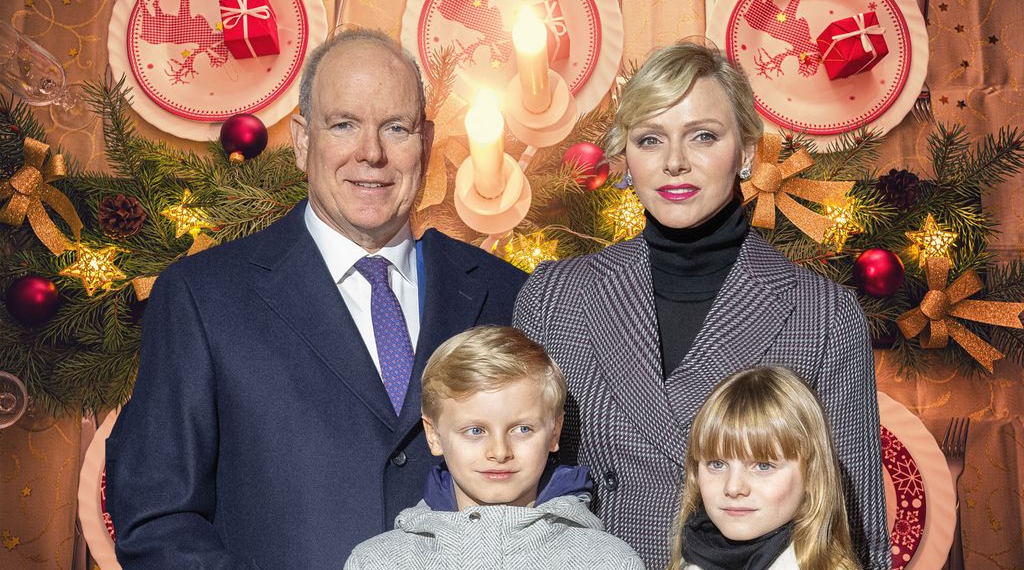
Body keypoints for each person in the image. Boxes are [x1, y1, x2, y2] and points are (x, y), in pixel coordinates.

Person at [105, 30, 527, 570]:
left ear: (425, 139)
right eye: (344, 124)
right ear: (303, 139)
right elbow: (155, 519)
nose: (371, 153)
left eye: (395, 128)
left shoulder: (506, 293)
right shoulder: (203, 298)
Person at [514, 41, 888, 570]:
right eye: (650, 140)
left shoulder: (822, 314)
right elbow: (512, 493)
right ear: (626, 157)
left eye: (703, 136)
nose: (674, 163)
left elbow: (856, 531)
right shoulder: (557, 298)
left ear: (749, 151)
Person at [343, 325, 644, 570]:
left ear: (555, 432)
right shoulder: (377, 561)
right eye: (475, 431)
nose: (499, 452)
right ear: (433, 434)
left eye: (522, 429)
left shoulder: (607, 560)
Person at [669, 366, 860, 570]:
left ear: (812, 476)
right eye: (717, 464)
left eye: (763, 466)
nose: (733, 487)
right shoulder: (687, 559)